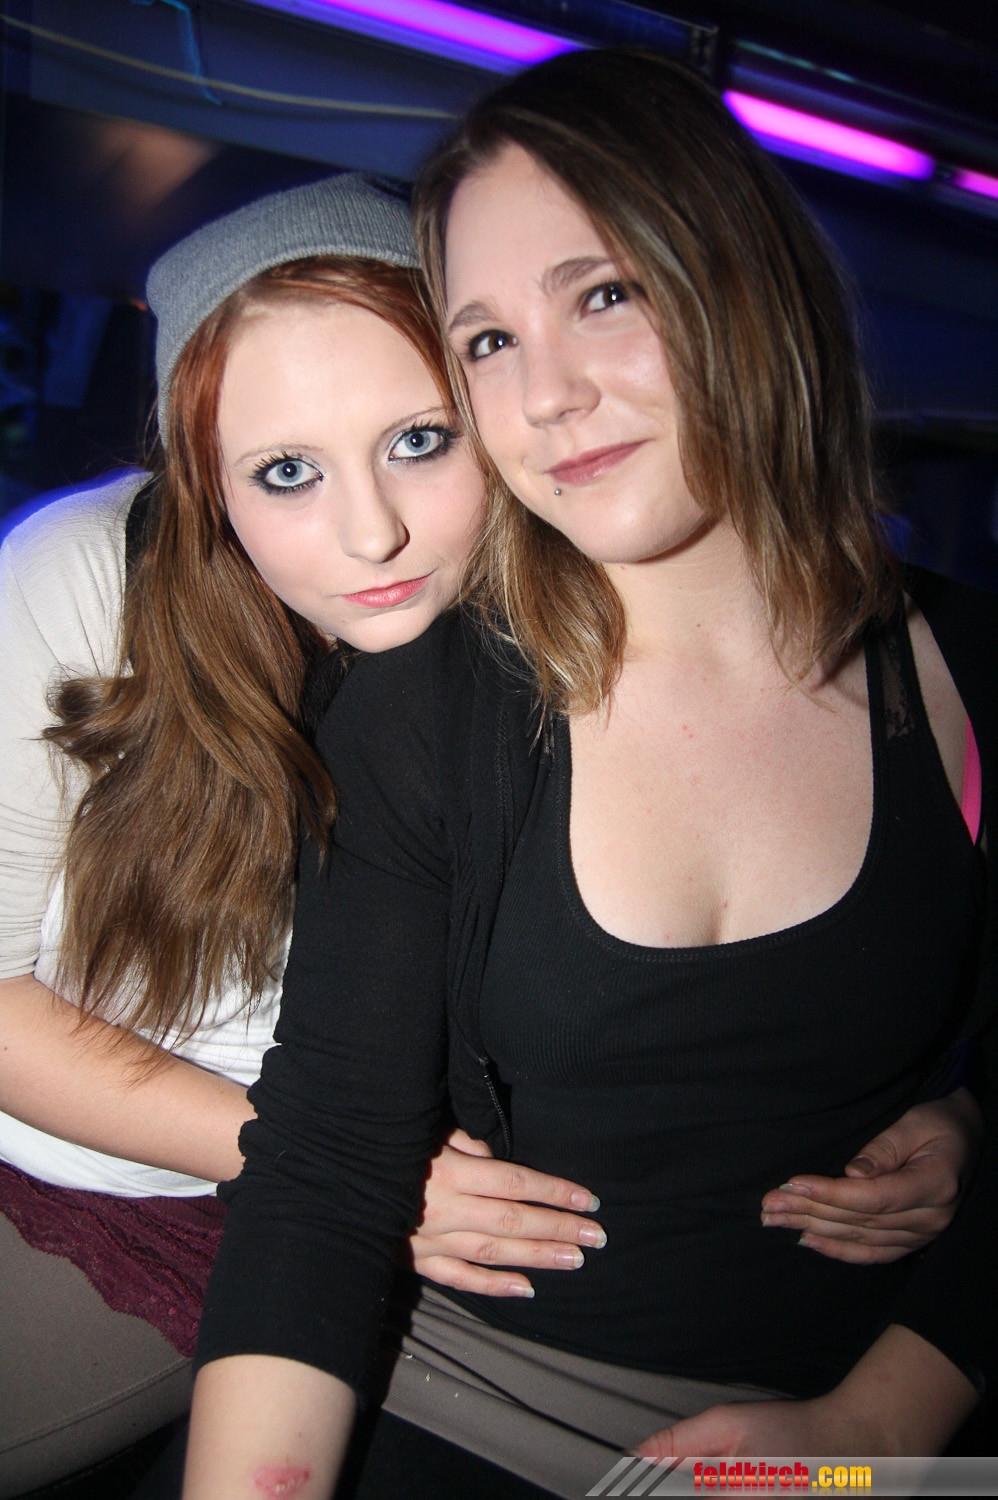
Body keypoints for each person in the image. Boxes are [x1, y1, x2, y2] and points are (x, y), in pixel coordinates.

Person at [181, 49, 996, 1500]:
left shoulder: (967, 674)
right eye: (489, 340)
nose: (546, 394)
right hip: (459, 1388)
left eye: (603, 295)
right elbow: (327, 1168)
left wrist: (880, 1424)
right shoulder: (432, 700)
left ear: (746, 284)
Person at [0, 174, 612, 1499]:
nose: (369, 531)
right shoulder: (84, 576)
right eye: (286, 471)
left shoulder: (574, 656)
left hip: (216, 1221)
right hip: (109, 1150)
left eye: (420, 441)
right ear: (205, 488)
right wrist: (351, 1164)